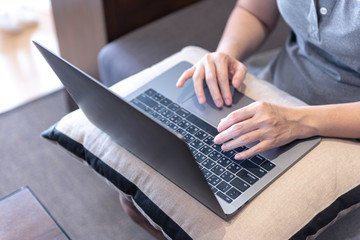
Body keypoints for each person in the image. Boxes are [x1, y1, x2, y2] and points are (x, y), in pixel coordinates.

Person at [176, 0, 360, 161]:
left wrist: (297, 120)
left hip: (343, 126)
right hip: (276, 85)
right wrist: (225, 54)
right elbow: (254, 12)